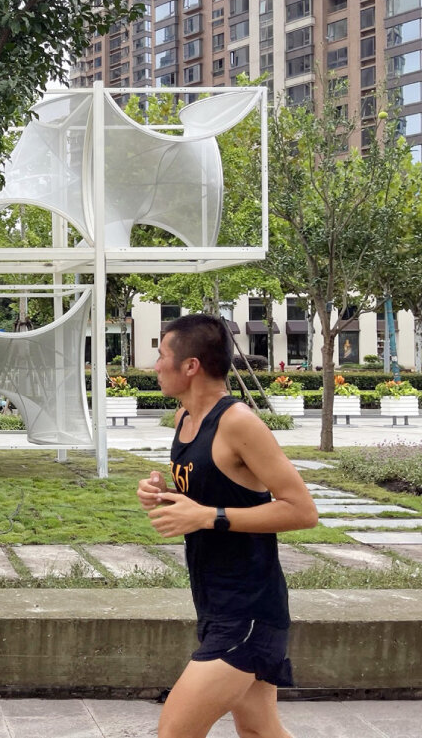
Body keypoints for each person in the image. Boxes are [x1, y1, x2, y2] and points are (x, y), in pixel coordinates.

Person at [137, 314, 318, 738]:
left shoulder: (238, 422)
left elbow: (302, 510)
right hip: (215, 601)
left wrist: (206, 516)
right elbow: (212, 491)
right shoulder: (185, 420)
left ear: (190, 366)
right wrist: (159, 492)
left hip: (249, 609)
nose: (155, 365)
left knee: (174, 734)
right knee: (259, 731)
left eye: (161, 355)